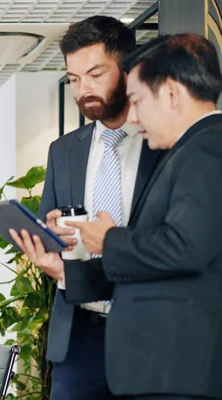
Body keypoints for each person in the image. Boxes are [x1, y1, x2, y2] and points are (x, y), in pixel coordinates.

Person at [15, 33, 222, 400]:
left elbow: (186, 247)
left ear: (171, 94)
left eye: (138, 100)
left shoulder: (206, 147)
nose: (135, 114)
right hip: (134, 356)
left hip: (178, 362)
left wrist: (107, 240)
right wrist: (66, 270)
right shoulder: (189, 149)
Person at [13, 16, 161, 400]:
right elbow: (50, 224)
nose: (84, 89)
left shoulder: (162, 142)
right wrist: (49, 235)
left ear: (127, 69)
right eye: (75, 79)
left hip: (150, 333)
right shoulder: (63, 151)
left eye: (95, 74)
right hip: (77, 338)